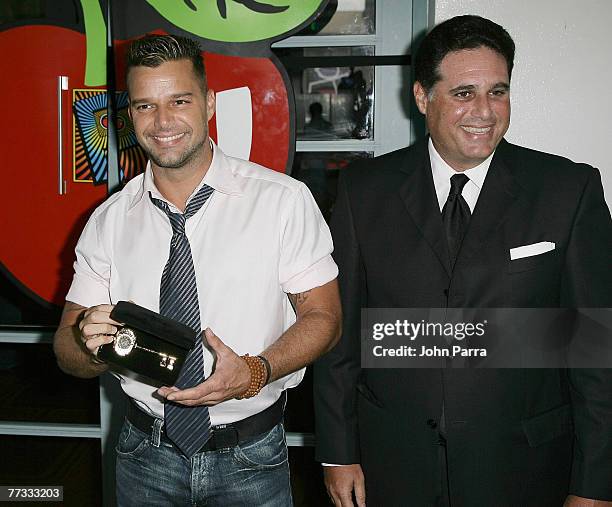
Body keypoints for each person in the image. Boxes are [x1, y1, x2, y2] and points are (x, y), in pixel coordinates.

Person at [313, 15, 612, 507]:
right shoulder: (363, 191)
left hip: (527, 469)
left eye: (498, 91)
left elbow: (594, 350)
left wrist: (594, 484)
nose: (485, 112)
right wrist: (338, 452)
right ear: (422, 97)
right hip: (392, 467)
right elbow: (342, 335)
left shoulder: (567, 190)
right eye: (464, 93)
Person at [53, 34, 341, 506]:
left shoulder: (282, 201)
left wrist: (254, 372)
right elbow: (66, 347)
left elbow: (325, 319)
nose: (163, 122)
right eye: (145, 106)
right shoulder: (108, 220)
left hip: (250, 454)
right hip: (143, 453)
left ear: (208, 103)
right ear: (130, 115)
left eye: (179, 101)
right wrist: (92, 344)